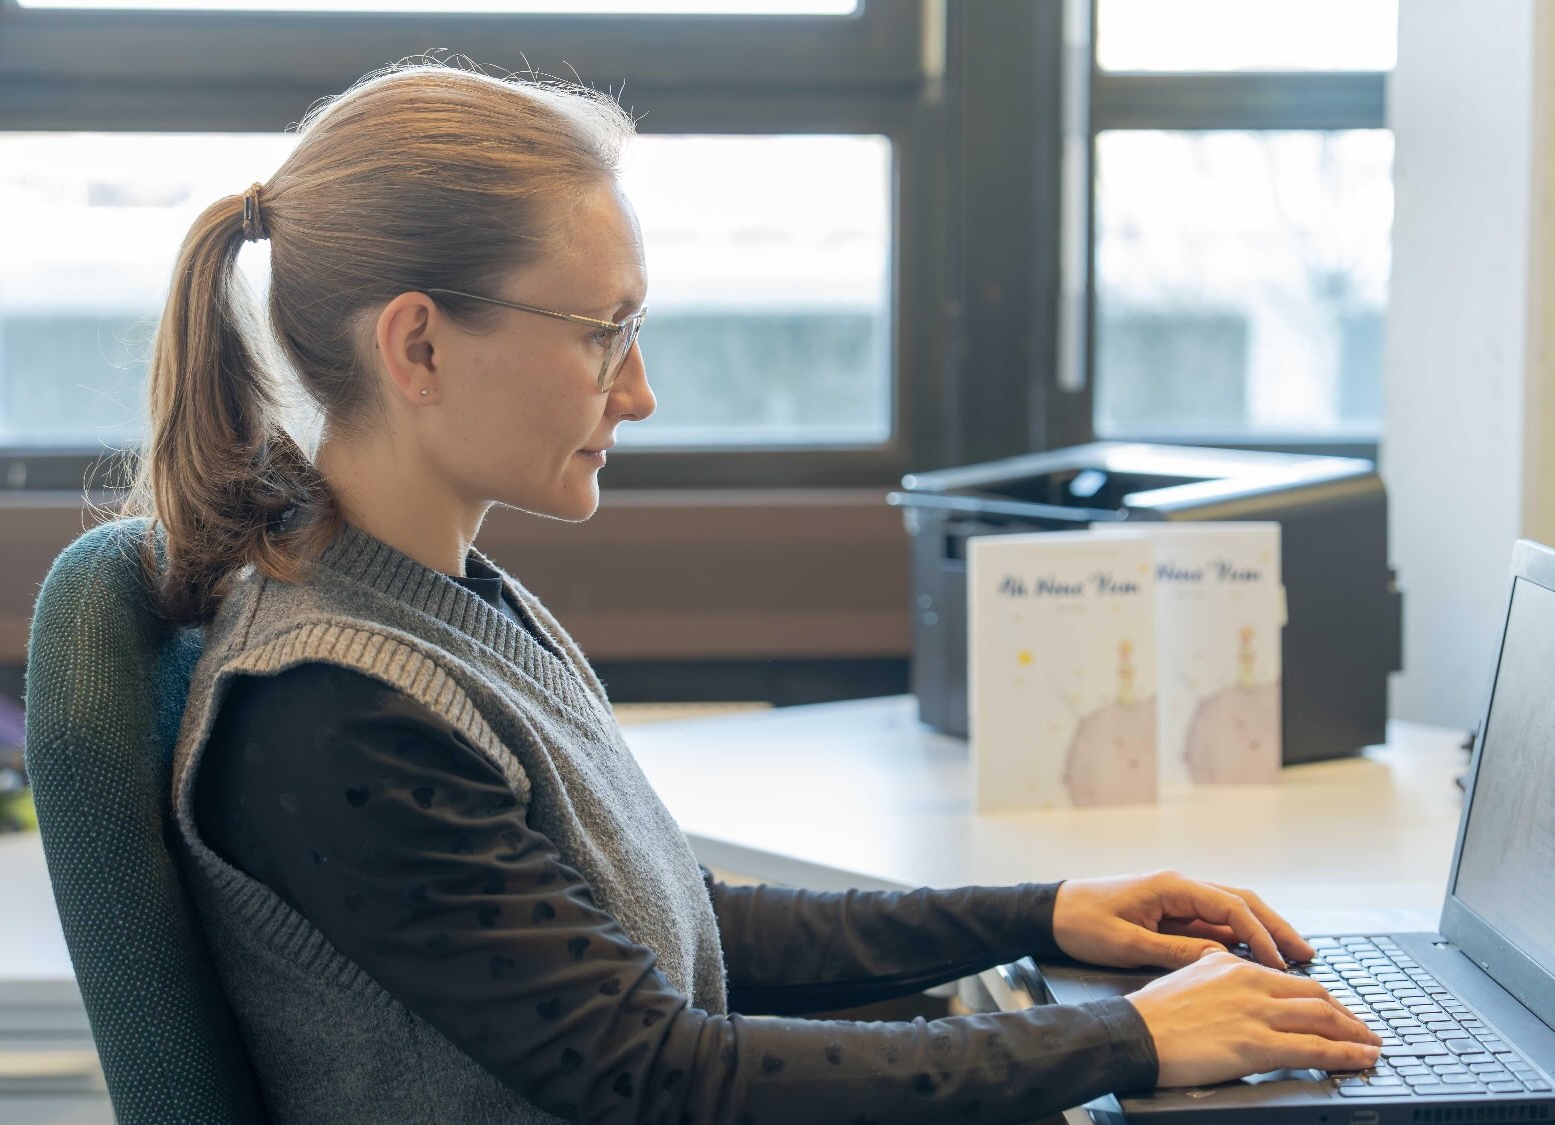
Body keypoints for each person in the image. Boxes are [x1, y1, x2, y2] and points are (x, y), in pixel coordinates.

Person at [133, 61, 1381, 1125]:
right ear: (417, 346)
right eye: (600, 334)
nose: (637, 391)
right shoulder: (333, 704)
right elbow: (653, 1073)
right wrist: (1130, 1042)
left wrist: (1043, 914)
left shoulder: (446, 605)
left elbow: (673, 922)